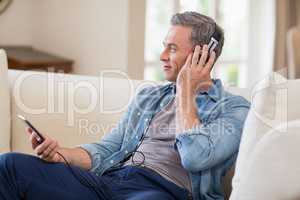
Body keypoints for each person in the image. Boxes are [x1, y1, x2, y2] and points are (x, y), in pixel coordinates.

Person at [0, 11, 250, 200]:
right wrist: (61, 154)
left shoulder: (234, 110)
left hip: (162, 192)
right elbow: (109, 148)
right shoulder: (150, 98)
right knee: (8, 166)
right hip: (111, 181)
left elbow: (195, 158)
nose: (162, 55)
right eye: (164, 46)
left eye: (172, 48)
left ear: (204, 55)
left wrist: (185, 92)